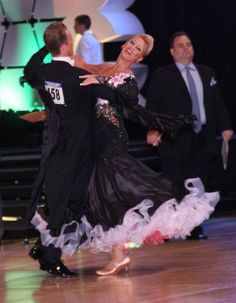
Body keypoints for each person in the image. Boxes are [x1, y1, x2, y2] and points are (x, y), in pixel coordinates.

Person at [31, 33, 220, 276]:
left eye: (138, 48)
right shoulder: (105, 68)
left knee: (115, 195)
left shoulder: (127, 78)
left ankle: (119, 255)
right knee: (106, 198)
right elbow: (81, 67)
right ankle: (117, 255)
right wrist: (66, 58)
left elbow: (126, 97)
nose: (132, 47)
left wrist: (97, 80)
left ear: (140, 57)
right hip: (93, 143)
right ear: (124, 45)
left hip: (112, 142)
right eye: (131, 43)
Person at [23, 22, 98, 278]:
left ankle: (44, 249)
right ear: (67, 44)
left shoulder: (42, 72)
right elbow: (103, 96)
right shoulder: (78, 77)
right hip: (75, 149)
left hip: (55, 145)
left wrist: (47, 47)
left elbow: (29, 69)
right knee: (68, 202)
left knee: (61, 200)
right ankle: (51, 257)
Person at [146, 31, 234, 239]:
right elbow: (152, 106)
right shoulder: (162, 75)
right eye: (181, 45)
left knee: (198, 184)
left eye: (189, 44)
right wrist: (153, 129)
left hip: (203, 137)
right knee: (174, 183)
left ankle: (193, 226)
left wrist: (226, 126)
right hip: (175, 138)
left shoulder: (207, 73)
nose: (186, 48)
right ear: (172, 52)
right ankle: (168, 228)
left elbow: (217, 103)